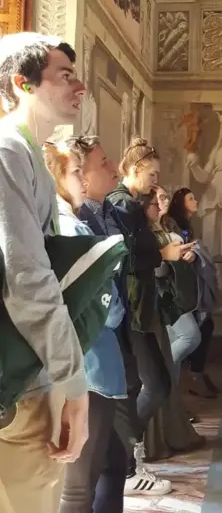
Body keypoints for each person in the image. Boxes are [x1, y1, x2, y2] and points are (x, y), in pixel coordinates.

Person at [0, 33, 89, 511]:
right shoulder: (9, 150)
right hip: (18, 385)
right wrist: (74, 383)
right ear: (23, 84)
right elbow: (27, 278)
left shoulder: (27, 150)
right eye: (65, 76)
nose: (80, 87)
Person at [69, 135, 172, 496]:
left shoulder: (108, 211)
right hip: (96, 348)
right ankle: (133, 461)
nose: (112, 168)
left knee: (109, 462)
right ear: (78, 177)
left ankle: (131, 461)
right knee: (81, 483)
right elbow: (108, 279)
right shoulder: (81, 220)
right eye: (103, 164)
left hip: (117, 333)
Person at [42, 139, 127, 513]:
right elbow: (105, 308)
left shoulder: (62, 223)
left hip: (84, 361)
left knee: (108, 463)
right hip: (88, 362)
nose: (81, 179)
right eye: (75, 172)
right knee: (77, 487)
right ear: (56, 178)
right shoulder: (71, 229)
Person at [139, 190, 204, 458]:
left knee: (187, 343)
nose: (162, 203)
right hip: (159, 301)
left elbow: (181, 252)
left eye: (165, 198)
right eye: (158, 200)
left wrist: (189, 255)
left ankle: (172, 397)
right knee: (190, 337)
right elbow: (153, 267)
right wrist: (168, 256)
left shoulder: (168, 224)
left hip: (171, 297)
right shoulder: (145, 228)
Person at [167, 188, 220, 398]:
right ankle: (190, 377)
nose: (195, 201)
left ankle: (195, 375)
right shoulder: (172, 225)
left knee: (205, 327)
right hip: (176, 292)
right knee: (192, 335)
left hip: (187, 287)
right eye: (191, 198)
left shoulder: (185, 225)